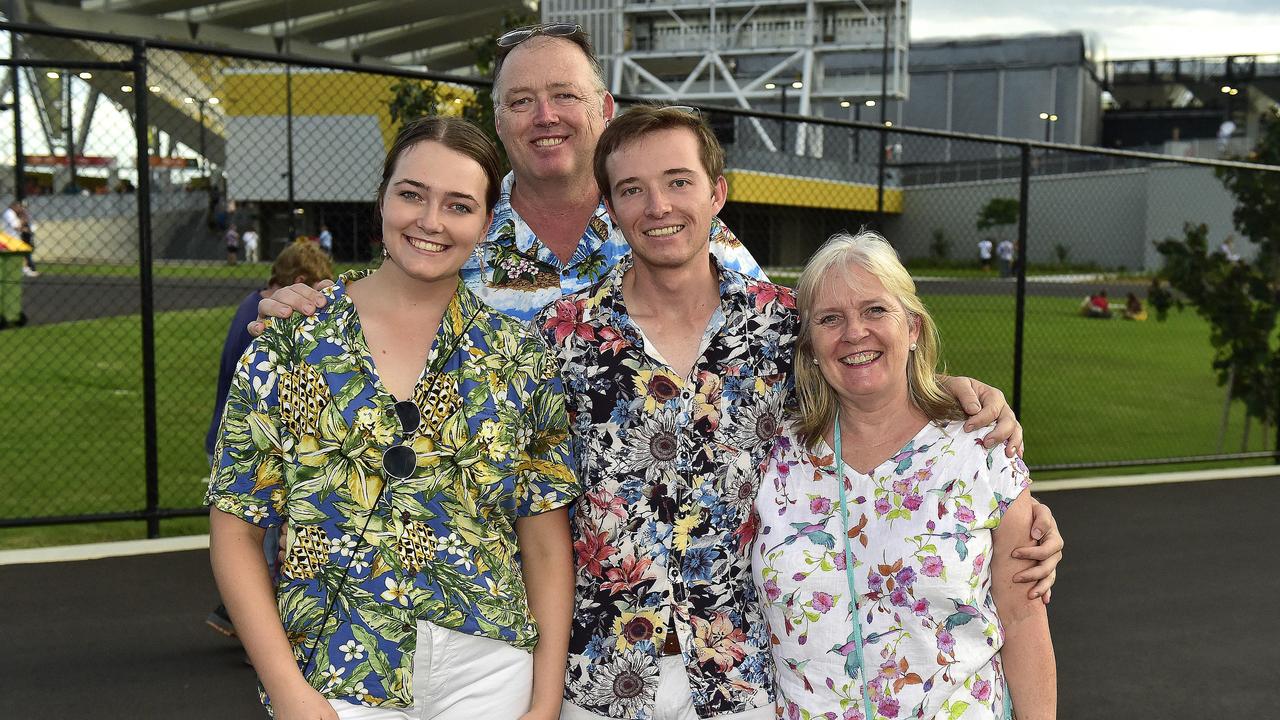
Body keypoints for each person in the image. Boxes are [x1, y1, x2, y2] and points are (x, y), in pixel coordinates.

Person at [533, 106, 1060, 720]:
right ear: (611, 206)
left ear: (717, 193)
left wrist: (964, 405)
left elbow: (867, 363)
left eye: (679, 181)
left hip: (739, 682)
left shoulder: (781, 326)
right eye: (632, 189)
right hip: (603, 676)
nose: (658, 206)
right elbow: (535, 509)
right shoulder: (560, 342)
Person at [207, 117, 579, 720]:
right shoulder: (291, 342)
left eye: (459, 205)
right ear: (381, 199)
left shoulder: (519, 356)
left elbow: (542, 540)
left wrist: (544, 701)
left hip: (487, 670)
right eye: (412, 194)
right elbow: (236, 530)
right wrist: (287, 689)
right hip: (335, 668)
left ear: (487, 225)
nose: (430, 221)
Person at [252, 22, 764, 329]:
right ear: (498, 122)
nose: (545, 116)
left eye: (565, 95)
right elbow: (382, 303)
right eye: (521, 101)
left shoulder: (675, 228)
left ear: (605, 109)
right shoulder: (455, 232)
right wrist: (308, 307)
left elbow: (776, 333)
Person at [753, 231, 1056, 719]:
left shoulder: (980, 447)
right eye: (831, 319)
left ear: (913, 328)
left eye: (875, 310)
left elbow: (1022, 618)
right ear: (809, 346)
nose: (855, 333)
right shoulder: (772, 456)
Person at [204, 239, 334, 638]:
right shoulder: (269, 325)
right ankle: (256, 633)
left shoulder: (250, 304)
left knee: (257, 544)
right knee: (267, 548)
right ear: (298, 282)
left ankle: (234, 616)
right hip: (255, 446)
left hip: (229, 440)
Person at [3, 200, 37, 277]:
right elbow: (16, 226)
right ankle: (25, 269)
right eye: (18, 206)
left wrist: (24, 223)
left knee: (21, 253)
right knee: (22, 252)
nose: (19, 208)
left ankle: (24, 269)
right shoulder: (9, 213)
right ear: (14, 206)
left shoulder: (12, 213)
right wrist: (25, 225)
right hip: (11, 237)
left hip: (13, 237)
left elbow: (18, 225)